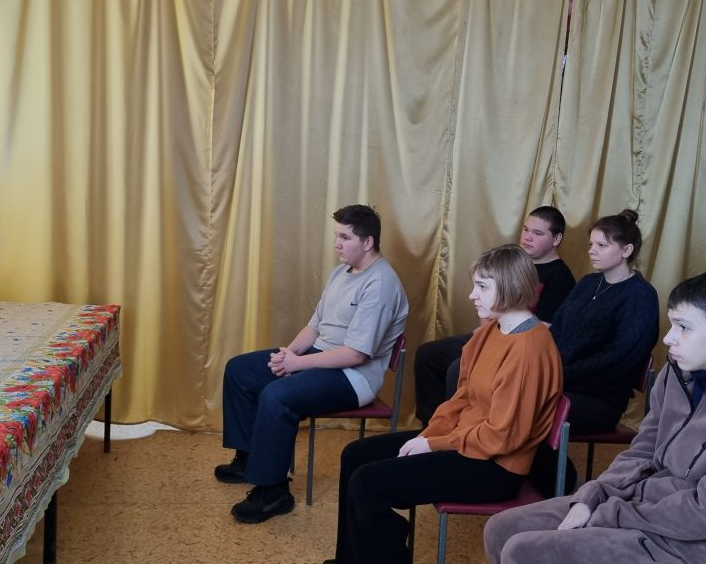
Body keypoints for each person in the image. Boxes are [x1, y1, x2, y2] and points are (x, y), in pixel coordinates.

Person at [484, 269, 706, 564]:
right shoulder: (678, 372)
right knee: (500, 529)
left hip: (701, 543)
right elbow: (643, 449)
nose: (668, 338)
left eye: (683, 327)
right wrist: (594, 496)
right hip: (643, 504)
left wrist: (609, 514)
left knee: (524, 552)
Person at [325, 245, 564, 564]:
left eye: (482, 287)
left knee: (368, 484)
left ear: (510, 286)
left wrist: (433, 445)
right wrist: (429, 435)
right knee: (355, 455)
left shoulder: (529, 351)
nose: (472, 295)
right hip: (465, 443)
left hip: (494, 467)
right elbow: (462, 397)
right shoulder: (490, 331)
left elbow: (501, 437)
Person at [215, 204, 408, 524]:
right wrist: (287, 355)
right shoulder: (341, 272)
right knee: (240, 370)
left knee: (278, 396)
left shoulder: (381, 284)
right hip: (321, 356)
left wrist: (297, 365)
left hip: (353, 377)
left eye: (345, 237)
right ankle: (249, 459)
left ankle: (273, 491)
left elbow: (356, 355)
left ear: (368, 242)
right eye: (337, 236)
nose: (337, 244)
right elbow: (315, 326)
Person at [413, 206, 575, 425]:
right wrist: (485, 335)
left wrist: (490, 342)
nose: (528, 237)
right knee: (429, 354)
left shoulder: (560, 277)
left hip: (514, 342)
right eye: (526, 229)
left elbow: (543, 328)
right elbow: (491, 312)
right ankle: (432, 425)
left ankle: (459, 426)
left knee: (457, 368)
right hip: (492, 333)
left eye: (537, 233)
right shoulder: (516, 262)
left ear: (556, 239)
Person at [548, 209, 658, 435]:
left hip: (599, 399)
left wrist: (560, 374)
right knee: (511, 390)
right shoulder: (588, 283)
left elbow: (620, 358)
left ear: (626, 250)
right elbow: (557, 329)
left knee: (525, 402)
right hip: (561, 381)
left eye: (602, 245)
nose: (592, 251)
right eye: (591, 244)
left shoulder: (640, 295)